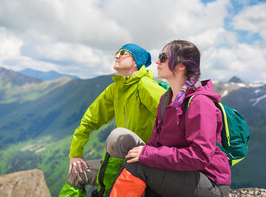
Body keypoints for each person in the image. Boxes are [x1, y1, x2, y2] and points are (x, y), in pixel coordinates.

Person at [105, 40, 231, 197]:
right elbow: (155, 143)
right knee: (135, 163)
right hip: (180, 175)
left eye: (163, 57)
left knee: (139, 166)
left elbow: (200, 156)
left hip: (210, 182)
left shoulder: (200, 102)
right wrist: (146, 154)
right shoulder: (166, 99)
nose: (157, 61)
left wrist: (147, 155)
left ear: (180, 65)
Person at [59, 43, 168, 197]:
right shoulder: (115, 89)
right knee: (77, 172)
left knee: (117, 135)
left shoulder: (145, 85)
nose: (117, 55)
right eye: (117, 52)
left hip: (144, 160)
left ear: (136, 62)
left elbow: (172, 115)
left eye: (124, 53)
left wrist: (156, 153)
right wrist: (75, 153)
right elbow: (89, 119)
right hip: (122, 159)